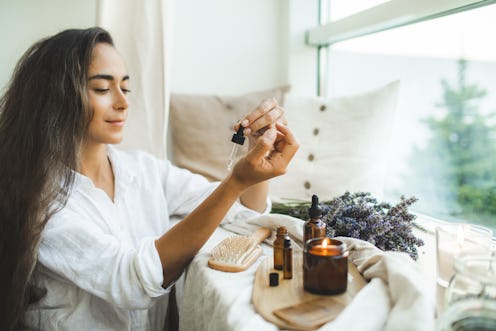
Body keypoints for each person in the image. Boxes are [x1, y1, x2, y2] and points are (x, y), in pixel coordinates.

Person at [0, 27, 298, 330]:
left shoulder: (144, 171)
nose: (122, 102)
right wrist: (236, 181)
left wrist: (259, 161)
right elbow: (133, 281)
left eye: (125, 88)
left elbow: (242, 208)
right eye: (103, 89)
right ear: (58, 95)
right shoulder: (41, 201)